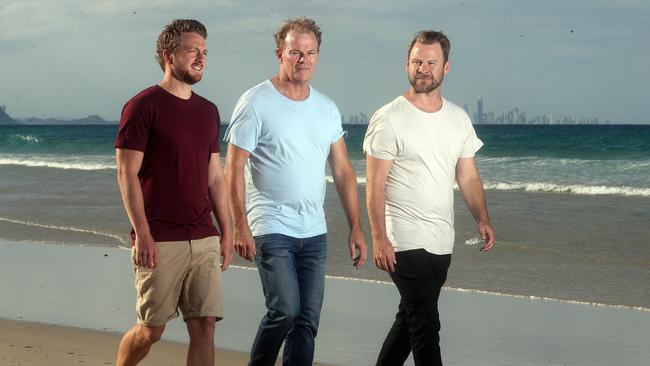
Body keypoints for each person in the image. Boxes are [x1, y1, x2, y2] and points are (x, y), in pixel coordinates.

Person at [224, 16, 368, 366]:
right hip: (271, 227)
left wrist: (355, 226)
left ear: (317, 56)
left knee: (307, 322)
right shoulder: (255, 101)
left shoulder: (326, 108)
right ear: (280, 53)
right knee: (285, 310)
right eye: (295, 52)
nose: (302, 59)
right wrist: (239, 224)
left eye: (309, 52)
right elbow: (234, 166)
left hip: (314, 233)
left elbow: (344, 171)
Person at [364, 30, 495, 366]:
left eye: (430, 62)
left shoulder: (458, 119)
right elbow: (374, 185)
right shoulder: (388, 118)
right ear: (407, 64)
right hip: (404, 239)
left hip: (441, 241)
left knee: (409, 321)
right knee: (426, 325)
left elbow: (466, 175)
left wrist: (482, 218)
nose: (422, 68)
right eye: (416, 61)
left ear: (446, 68)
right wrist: (379, 238)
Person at [114, 19, 233, 366]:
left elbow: (215, 178)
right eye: (192, 50)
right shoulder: (142, 106)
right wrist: (144, 234)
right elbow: (127, 173)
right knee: (151, 330)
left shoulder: (209, 111)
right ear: (168, 55)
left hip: (203, 236)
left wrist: (227, 232)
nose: (201, 58)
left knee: (205, 325)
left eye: (204, 52)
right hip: (160, 238)